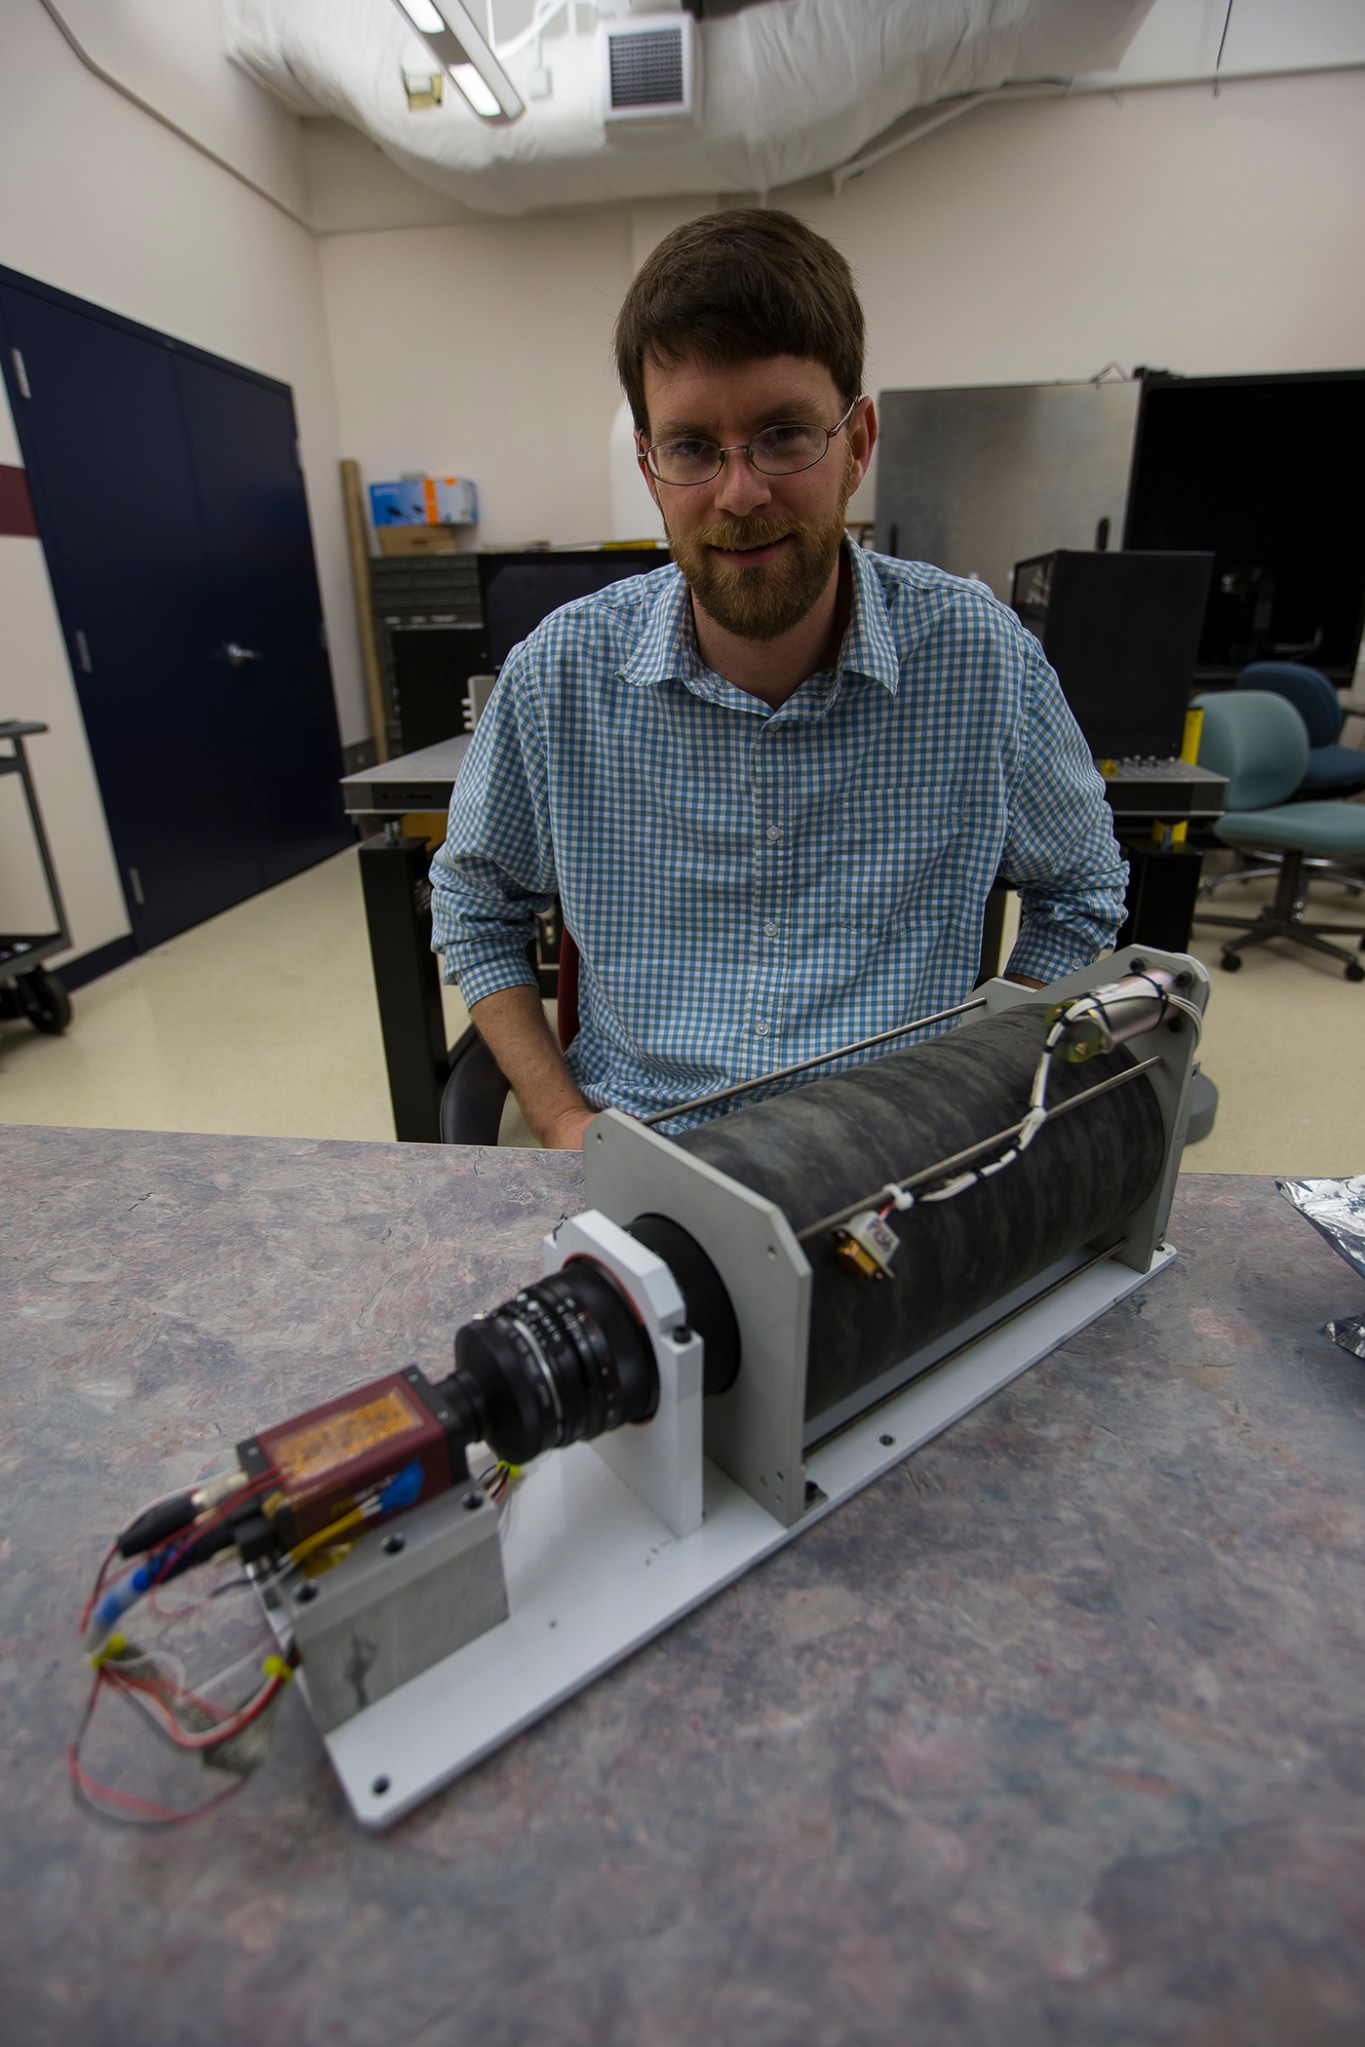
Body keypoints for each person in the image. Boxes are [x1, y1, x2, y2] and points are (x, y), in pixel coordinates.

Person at [430, 208, 1127, 1148]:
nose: (740, 492)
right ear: (649, 467)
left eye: (783, 434)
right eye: (690, 448)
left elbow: (1079, 894)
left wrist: (979, 1077)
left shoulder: (980, 659)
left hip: (891, 1158)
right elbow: (474, 911)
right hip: (646, 1151)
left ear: (858, 443)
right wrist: (560, 1120)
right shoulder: (558, 678)